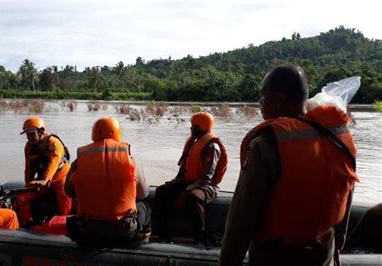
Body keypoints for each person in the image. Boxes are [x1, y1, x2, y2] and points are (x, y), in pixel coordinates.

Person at [220, 64, 359, 265]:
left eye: (263, 95)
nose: (260, 102)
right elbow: (345, 201)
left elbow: (240, 222)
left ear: (279, 100)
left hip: (276, 257)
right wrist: (337, 248)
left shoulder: (266, 144)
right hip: (323, 254)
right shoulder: (339, 140)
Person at [65, 117, 150, 245]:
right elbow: (144, 194)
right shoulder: (130, 161)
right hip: (124, 229)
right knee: (145, 208)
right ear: (117, 134)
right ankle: (143, 242)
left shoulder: (79, 162)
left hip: (88, 229)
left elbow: (69, 192)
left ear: (94, 134)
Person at [154, 112, 228, 245]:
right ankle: (164, 235)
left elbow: (206, 178)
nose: (190, 128)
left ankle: (200, 237)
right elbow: (183, 170)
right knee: (161, 191)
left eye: (192, 126)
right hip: (189, 183)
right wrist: (175, 182)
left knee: (193, 198)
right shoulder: (194, 142)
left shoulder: (212, 146)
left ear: (200, 127)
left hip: (206, 186)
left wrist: (186, 191)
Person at [15, 116, 72, 227]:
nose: (30, 137)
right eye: (27, 134)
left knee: (64, 193)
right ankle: (27, 223)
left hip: (60, 177)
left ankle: (63, 222)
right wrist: (28, 184)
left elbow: (54, 161)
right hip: (42, 179)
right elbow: (28, 168)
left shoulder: (53, 142)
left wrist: (46, 179)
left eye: (32, 134)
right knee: (21, 197)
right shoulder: (28, 147)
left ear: (41, 132)